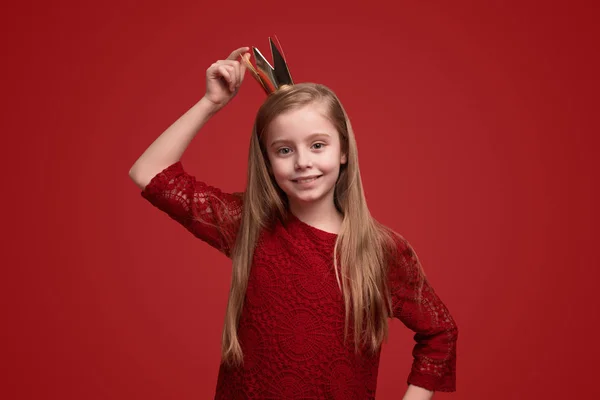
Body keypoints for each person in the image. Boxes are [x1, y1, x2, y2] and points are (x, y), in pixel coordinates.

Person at [129, 46, 458, 399]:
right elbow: (149, 173)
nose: (302, 162)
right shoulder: (250, 225)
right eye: (284, 150)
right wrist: (211, 103)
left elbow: (440, 333)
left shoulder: (379, 250)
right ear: (268, 160)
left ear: (343, 151)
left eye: (317, 145)